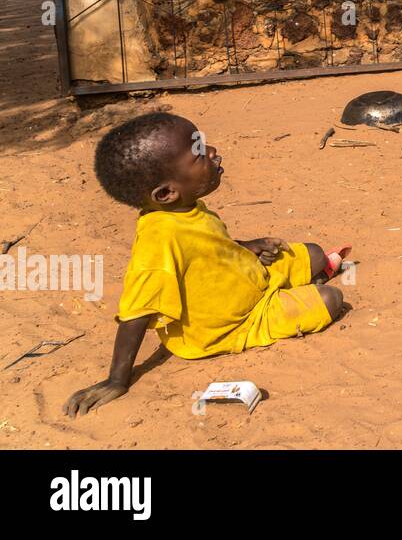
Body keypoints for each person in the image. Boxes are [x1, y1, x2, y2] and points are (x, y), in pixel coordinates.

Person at [64, 112, 349, 417]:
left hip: (249, 278)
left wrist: (249, 247)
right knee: (331, 300)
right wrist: (116, 379)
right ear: (166, 192)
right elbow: (137, 312)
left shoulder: (186, 207)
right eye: (199, 152)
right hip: (237, 322)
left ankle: (302, 280)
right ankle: (302, 291)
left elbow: (209, 249)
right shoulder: (158, 241)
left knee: (315, 253)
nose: (212, 152)